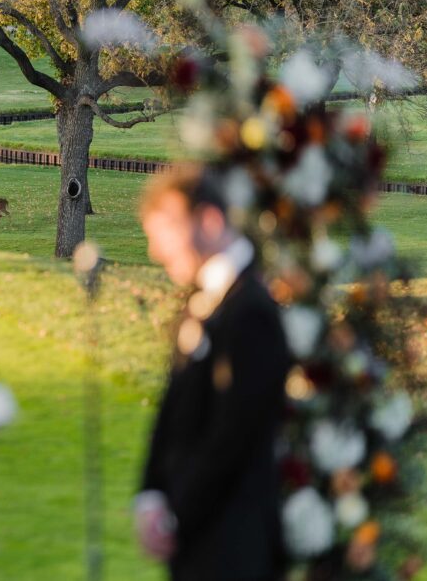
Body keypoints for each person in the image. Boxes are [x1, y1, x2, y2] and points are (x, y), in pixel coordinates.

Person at [134, 166, 292, 581]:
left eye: (165, 232)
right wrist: (150, 495)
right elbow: (174, 409)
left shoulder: (251, 311)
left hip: (234, 544)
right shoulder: (200, 300)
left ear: (210, 220)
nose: (155, 250)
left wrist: (175, 513)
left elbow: (232, 434)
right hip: (197, 540)